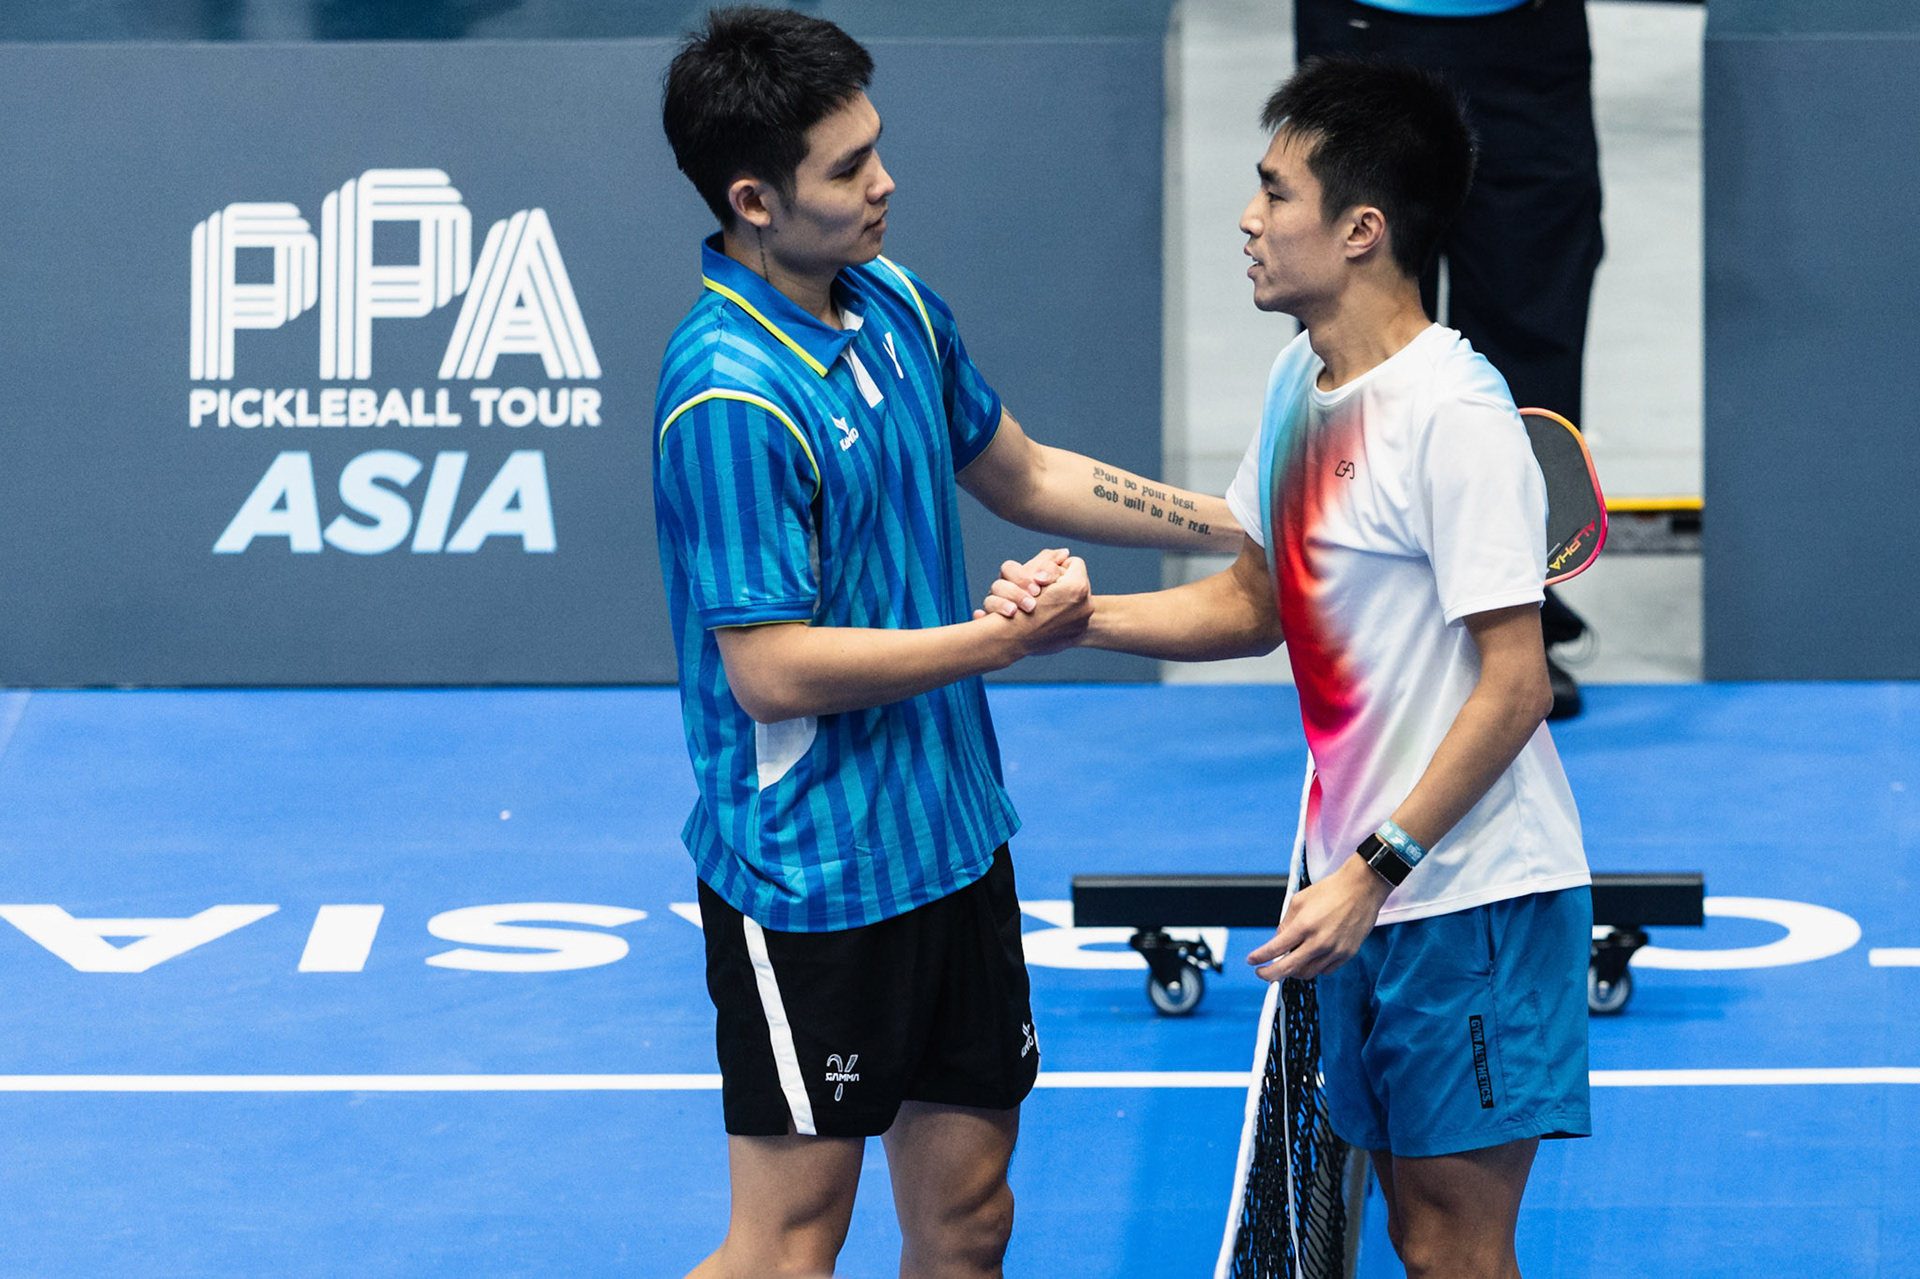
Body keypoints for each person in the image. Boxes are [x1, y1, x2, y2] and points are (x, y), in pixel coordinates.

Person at [651, 10, 1241, 1277]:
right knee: (787, 1246)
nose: (884, 182)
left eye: (878, 148)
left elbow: (1021, 471)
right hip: (813, 881)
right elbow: (771, 668)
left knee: (969, 1224)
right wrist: (989, 643)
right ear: (754, 199)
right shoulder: (726, 399)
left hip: (953, 840)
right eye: (848, 167)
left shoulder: (898, 306)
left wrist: (1242, 522)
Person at [988, 58, 1591, 1277]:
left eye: (1275, 192)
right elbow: (1260, 602)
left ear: (1362, 230)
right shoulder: (1295, 383)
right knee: (1393, 1233)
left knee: (1450, 1246)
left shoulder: (1457, 419)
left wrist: (1375, 868)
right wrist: (1085, 621)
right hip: (1360, 890)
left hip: (1468, 895)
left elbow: (1517, 685)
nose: (1249, 220)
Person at [1295, 0, 1604, 718]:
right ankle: (1358, 615)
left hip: (1527, 31)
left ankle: (1516, 610)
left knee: (1532, 319)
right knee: (1357, 310)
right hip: (1365, 20)